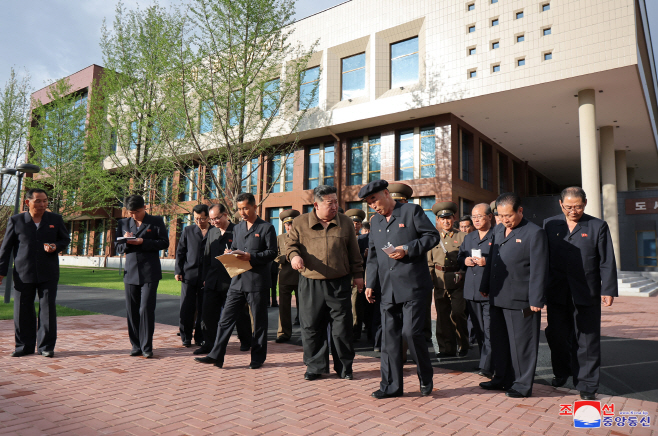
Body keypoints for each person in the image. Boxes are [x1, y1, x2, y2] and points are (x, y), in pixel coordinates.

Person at [361, 180, 440, 398]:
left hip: (414, 286)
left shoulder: (410, 211)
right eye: (369, 203)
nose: (373, 206)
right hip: (387, 289)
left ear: (386, 194)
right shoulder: (375, 222)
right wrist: (370, 283)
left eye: (374, 199)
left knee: (411, 333)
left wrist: (407, 248)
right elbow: (374, 256)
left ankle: (425, 375)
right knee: (389, 338)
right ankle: (391, 386)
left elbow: (432, 236)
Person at [543, 187, 618, 401]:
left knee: (587, 340)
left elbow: (607, 260)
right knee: (557, 335)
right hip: (556, 291)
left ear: (585, 204)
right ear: (560, 204)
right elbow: (542, 257)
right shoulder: (550, 224)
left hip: (587, 292)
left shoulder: (597, 226)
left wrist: (609, 289)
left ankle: (587, 384)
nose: (573, 210)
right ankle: (561, 371)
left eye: (577, 206)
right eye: (568, 206)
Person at [286, 185, 363, 381]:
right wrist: (294, 257)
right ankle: (314, 366)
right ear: (316, 205)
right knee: (312, 327)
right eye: (330, 203)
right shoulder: (300, 222)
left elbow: (354, 252)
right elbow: (291, 246)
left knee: (342, 328)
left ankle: (344, 367)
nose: (335, 206)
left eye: (336, 202)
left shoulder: (345, 222)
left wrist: (358, 275)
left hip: (339, 283)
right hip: (311, 283)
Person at [195, 193, 276, 369]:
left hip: (257, 282)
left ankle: (257, 358)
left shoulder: (267, 228)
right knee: (225, 320)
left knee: (259, 322)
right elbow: (234, 248)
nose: (242, 212)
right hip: (237, 281)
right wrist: (230, 254)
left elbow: (272, 253)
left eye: (246, 208)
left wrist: (251, 257)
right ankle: (216, 355)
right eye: (239, 209)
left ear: (255, 207)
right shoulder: (238, 228)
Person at [479, 192, 548, 398]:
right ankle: (502, 378)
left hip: (523, 301)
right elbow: (492, 259)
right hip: (498, 296)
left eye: (508, 215)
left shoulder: (534, 233)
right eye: (500, 216)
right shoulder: (499, 229)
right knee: (499, 341)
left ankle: (522, 384)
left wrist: (536, 299)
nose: (504, 220)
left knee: (522, 344)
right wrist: (485, 284)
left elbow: (539, 268)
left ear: (520, 210)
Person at [0, 188, 70, 358]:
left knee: (47, 309)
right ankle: (24, 346)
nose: (42, 204)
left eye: (45, 201)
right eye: (38, 201)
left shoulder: (55, 219)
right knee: (22, 310)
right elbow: (6, 248)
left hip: (49, 273)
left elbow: (65, 240)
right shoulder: (16, 221)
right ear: (27, 202)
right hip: (23, 273)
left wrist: (55, 246)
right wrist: (1, 272)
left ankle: (46, 347)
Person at [115, 195, 169, 358]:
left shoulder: (156, 221)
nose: (133, 215)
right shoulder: (122, 223)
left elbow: (164, 243)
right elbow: (118, 247)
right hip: (130, 272)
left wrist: (142, 242)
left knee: (146, 308)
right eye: (130, 212)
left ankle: (147, 346)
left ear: (144, 207)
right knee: (131, 310)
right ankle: (135, 345)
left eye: (136, 212)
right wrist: (127, 241)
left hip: (150, 271)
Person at [195, 204, 251, 355]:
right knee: (208, 313)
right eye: (212, 219)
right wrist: (205, 278)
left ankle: (246, 340)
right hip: (212, 280)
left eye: (217, 218)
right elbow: (206, 258)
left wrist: (233, 253)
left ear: (225, 215)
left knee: (239, 313)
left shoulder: (238, 230)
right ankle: (209, 344)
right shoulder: (212, 233)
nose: (214, 222)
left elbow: (245, 252)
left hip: (232, 280)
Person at [458, 203, 495, 378]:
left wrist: (486, 262)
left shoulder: (497, 235)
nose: (477, 220)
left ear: (490, 216)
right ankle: (484, 361)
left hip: (488, 290)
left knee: (489, 330)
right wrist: (464, 261)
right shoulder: (469, 237)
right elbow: (460, 256)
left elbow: (505, 260)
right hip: (471, 290)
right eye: (474, 217)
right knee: (478, 330)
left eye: (480, 216)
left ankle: (488, 366)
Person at [427, 202, 468, 358]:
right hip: (439, 282)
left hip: (458, 281)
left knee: (458, 314)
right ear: (438, 220)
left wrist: (462, 272)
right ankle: (446, 348)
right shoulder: (432, 238)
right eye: (442, 219)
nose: (446, 221)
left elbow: (467, 259)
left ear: (454, 218)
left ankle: (463, 344)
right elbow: (430, 263)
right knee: (442, 316)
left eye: (448, 218)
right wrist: (431, 281)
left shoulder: (463, 237)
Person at [175, 204, 209, 347]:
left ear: (207, 217)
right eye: (196, 219)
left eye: (201, 219)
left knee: (203, 308)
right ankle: (186, 337)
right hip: (188, 275)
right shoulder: (188, 230)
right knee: (186, 307)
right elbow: (180, 252)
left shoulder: (214, 232)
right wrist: (178, 270)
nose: (199, 222)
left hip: (206, 277)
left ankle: (200, 337)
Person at [275, 209, 301, 343]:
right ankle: (283, 333)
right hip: (284, 276)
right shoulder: (280, 238)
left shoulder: (302, 237)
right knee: (284, 308)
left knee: (303, 307)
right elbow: (274, 254)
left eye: (292, 224)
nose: (289, 227)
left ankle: (307, 334)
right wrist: (285, 258)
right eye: (287, 224)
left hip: (301, 276)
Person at [346, 208, 367, 341]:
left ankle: (356, 332)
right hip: (344, 275)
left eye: (358, 223)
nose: (355, 225)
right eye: (353, 222)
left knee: (356, 305)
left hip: (358, 275)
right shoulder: (344, 237)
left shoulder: (365, 239)